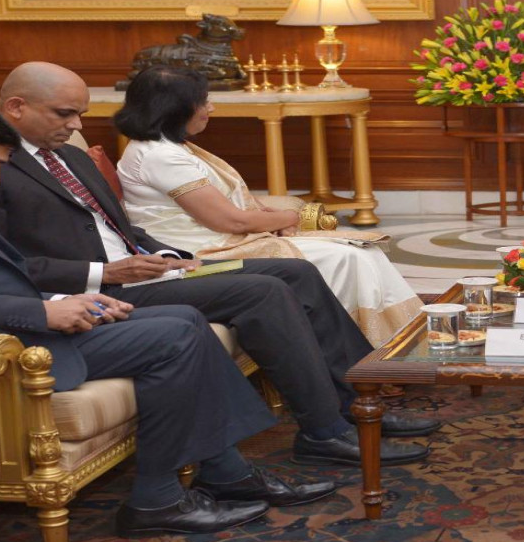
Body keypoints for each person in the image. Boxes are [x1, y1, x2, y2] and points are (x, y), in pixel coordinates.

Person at [0, 93, 334, 537]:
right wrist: (42, 311)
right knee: (175, 336)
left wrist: (69, 301)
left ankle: (223, 472)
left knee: (184, 320)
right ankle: (157, 499)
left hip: (21, 319)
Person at [0, 62, 437, 467]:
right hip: (104, 291)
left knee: (296, 272)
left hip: (147, 272)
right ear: (16, 107)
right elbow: (1, 263)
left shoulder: (70, 156)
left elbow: (122, 229)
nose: (75, 126)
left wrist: (172, 258)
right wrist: (104, 273)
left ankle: (360, 406)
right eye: (64, 114)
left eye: (80, 115)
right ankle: (323, 432)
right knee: (264, 290)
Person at [112, 66, 422, 344]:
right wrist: (290, 216)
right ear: (174, 109)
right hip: (203, 252)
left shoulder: (166, 147)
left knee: (364, 252)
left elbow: (234, 204)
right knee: (349, 257)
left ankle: (395, 346)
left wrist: (270, 218)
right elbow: (231, 222)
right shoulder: (160, 156)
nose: (211, 108)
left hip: (222, 239)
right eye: (203, 102)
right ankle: (375, 350)